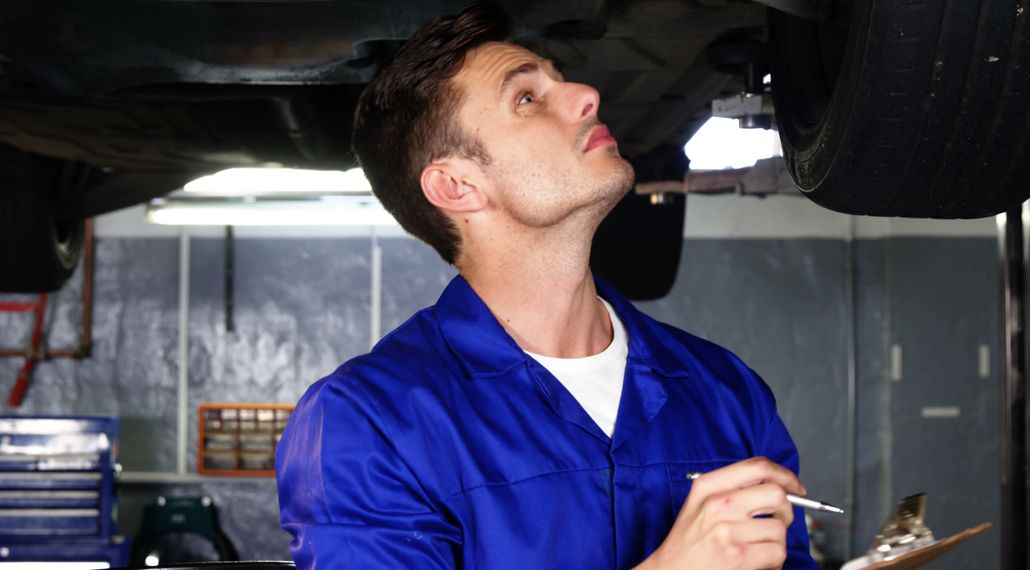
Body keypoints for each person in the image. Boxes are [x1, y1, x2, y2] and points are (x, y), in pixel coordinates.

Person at [275, 2, 817, 568]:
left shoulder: (725, 390)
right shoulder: (368, 420)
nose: (587, 95)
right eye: (527, 99)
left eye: (558, 80)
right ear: (458, 186)